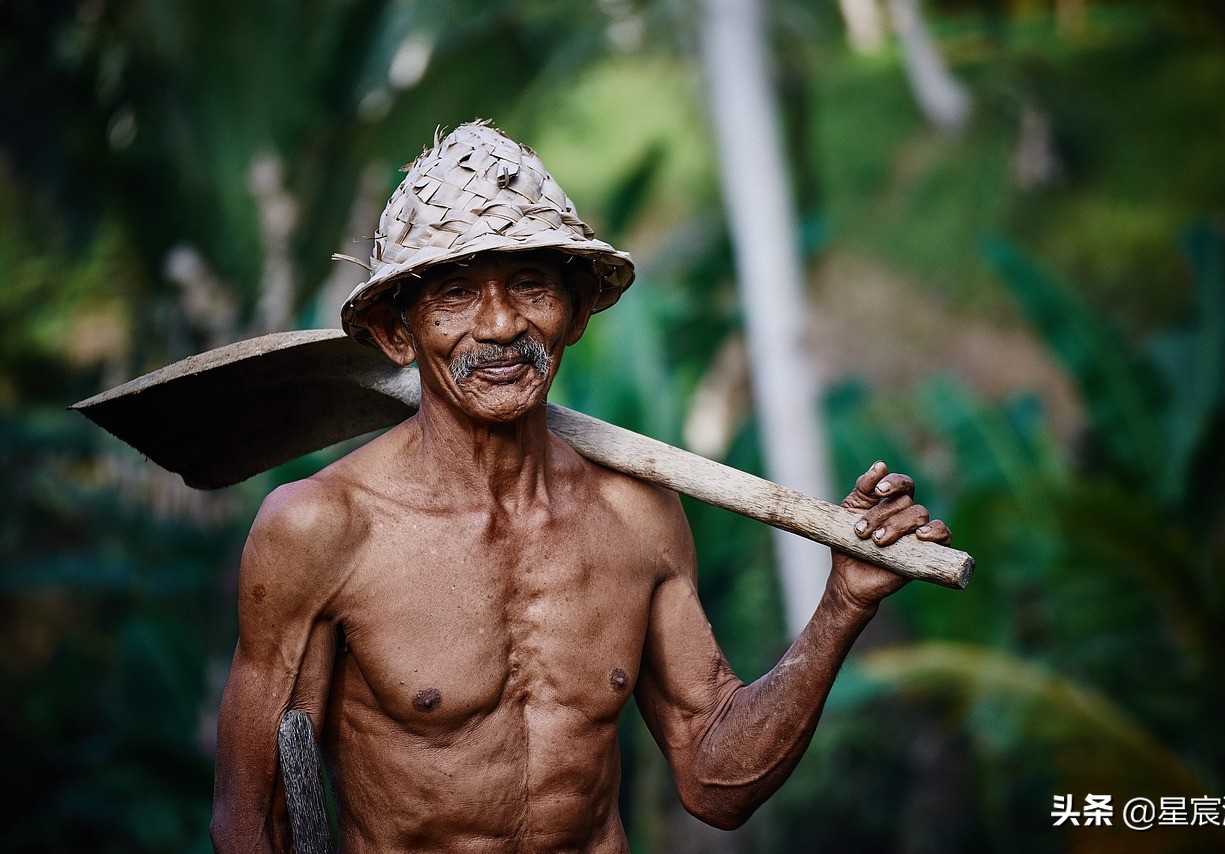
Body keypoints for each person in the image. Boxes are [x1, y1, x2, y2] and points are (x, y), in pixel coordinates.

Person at [211, 121, 952, 853]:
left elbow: (715, 781)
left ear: (574, 313)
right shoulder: (324, 529)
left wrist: (842, 605)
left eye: (530, 284)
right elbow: (252, 823)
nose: (501, 324)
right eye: (457, 294)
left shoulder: (636, 515)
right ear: (399, 333)